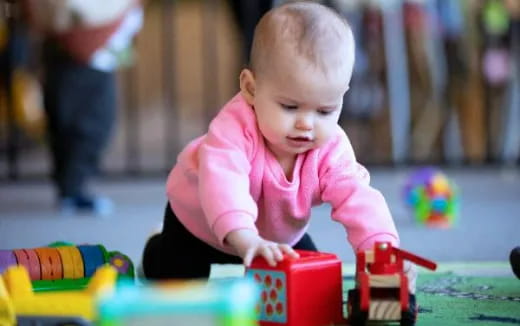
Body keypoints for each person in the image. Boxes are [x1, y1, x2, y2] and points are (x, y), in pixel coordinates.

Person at [143, 2, 412, 286]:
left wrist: (382, 251)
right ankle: (154, 246)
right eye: (289, 106)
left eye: (324, 111)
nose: (306, 124)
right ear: (250, 88)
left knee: (314, 286)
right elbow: (223, 182)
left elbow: (358, 198)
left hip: (276, 240)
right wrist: (245, 237)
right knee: (172, 284)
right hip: (197, 227)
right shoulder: (233, 129)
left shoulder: (330, 148)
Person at [22, 0, 143, 215]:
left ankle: (70, 189)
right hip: (85, 54)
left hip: (79, 51)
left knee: (69, 122)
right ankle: (72, 190)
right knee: (90, 124)